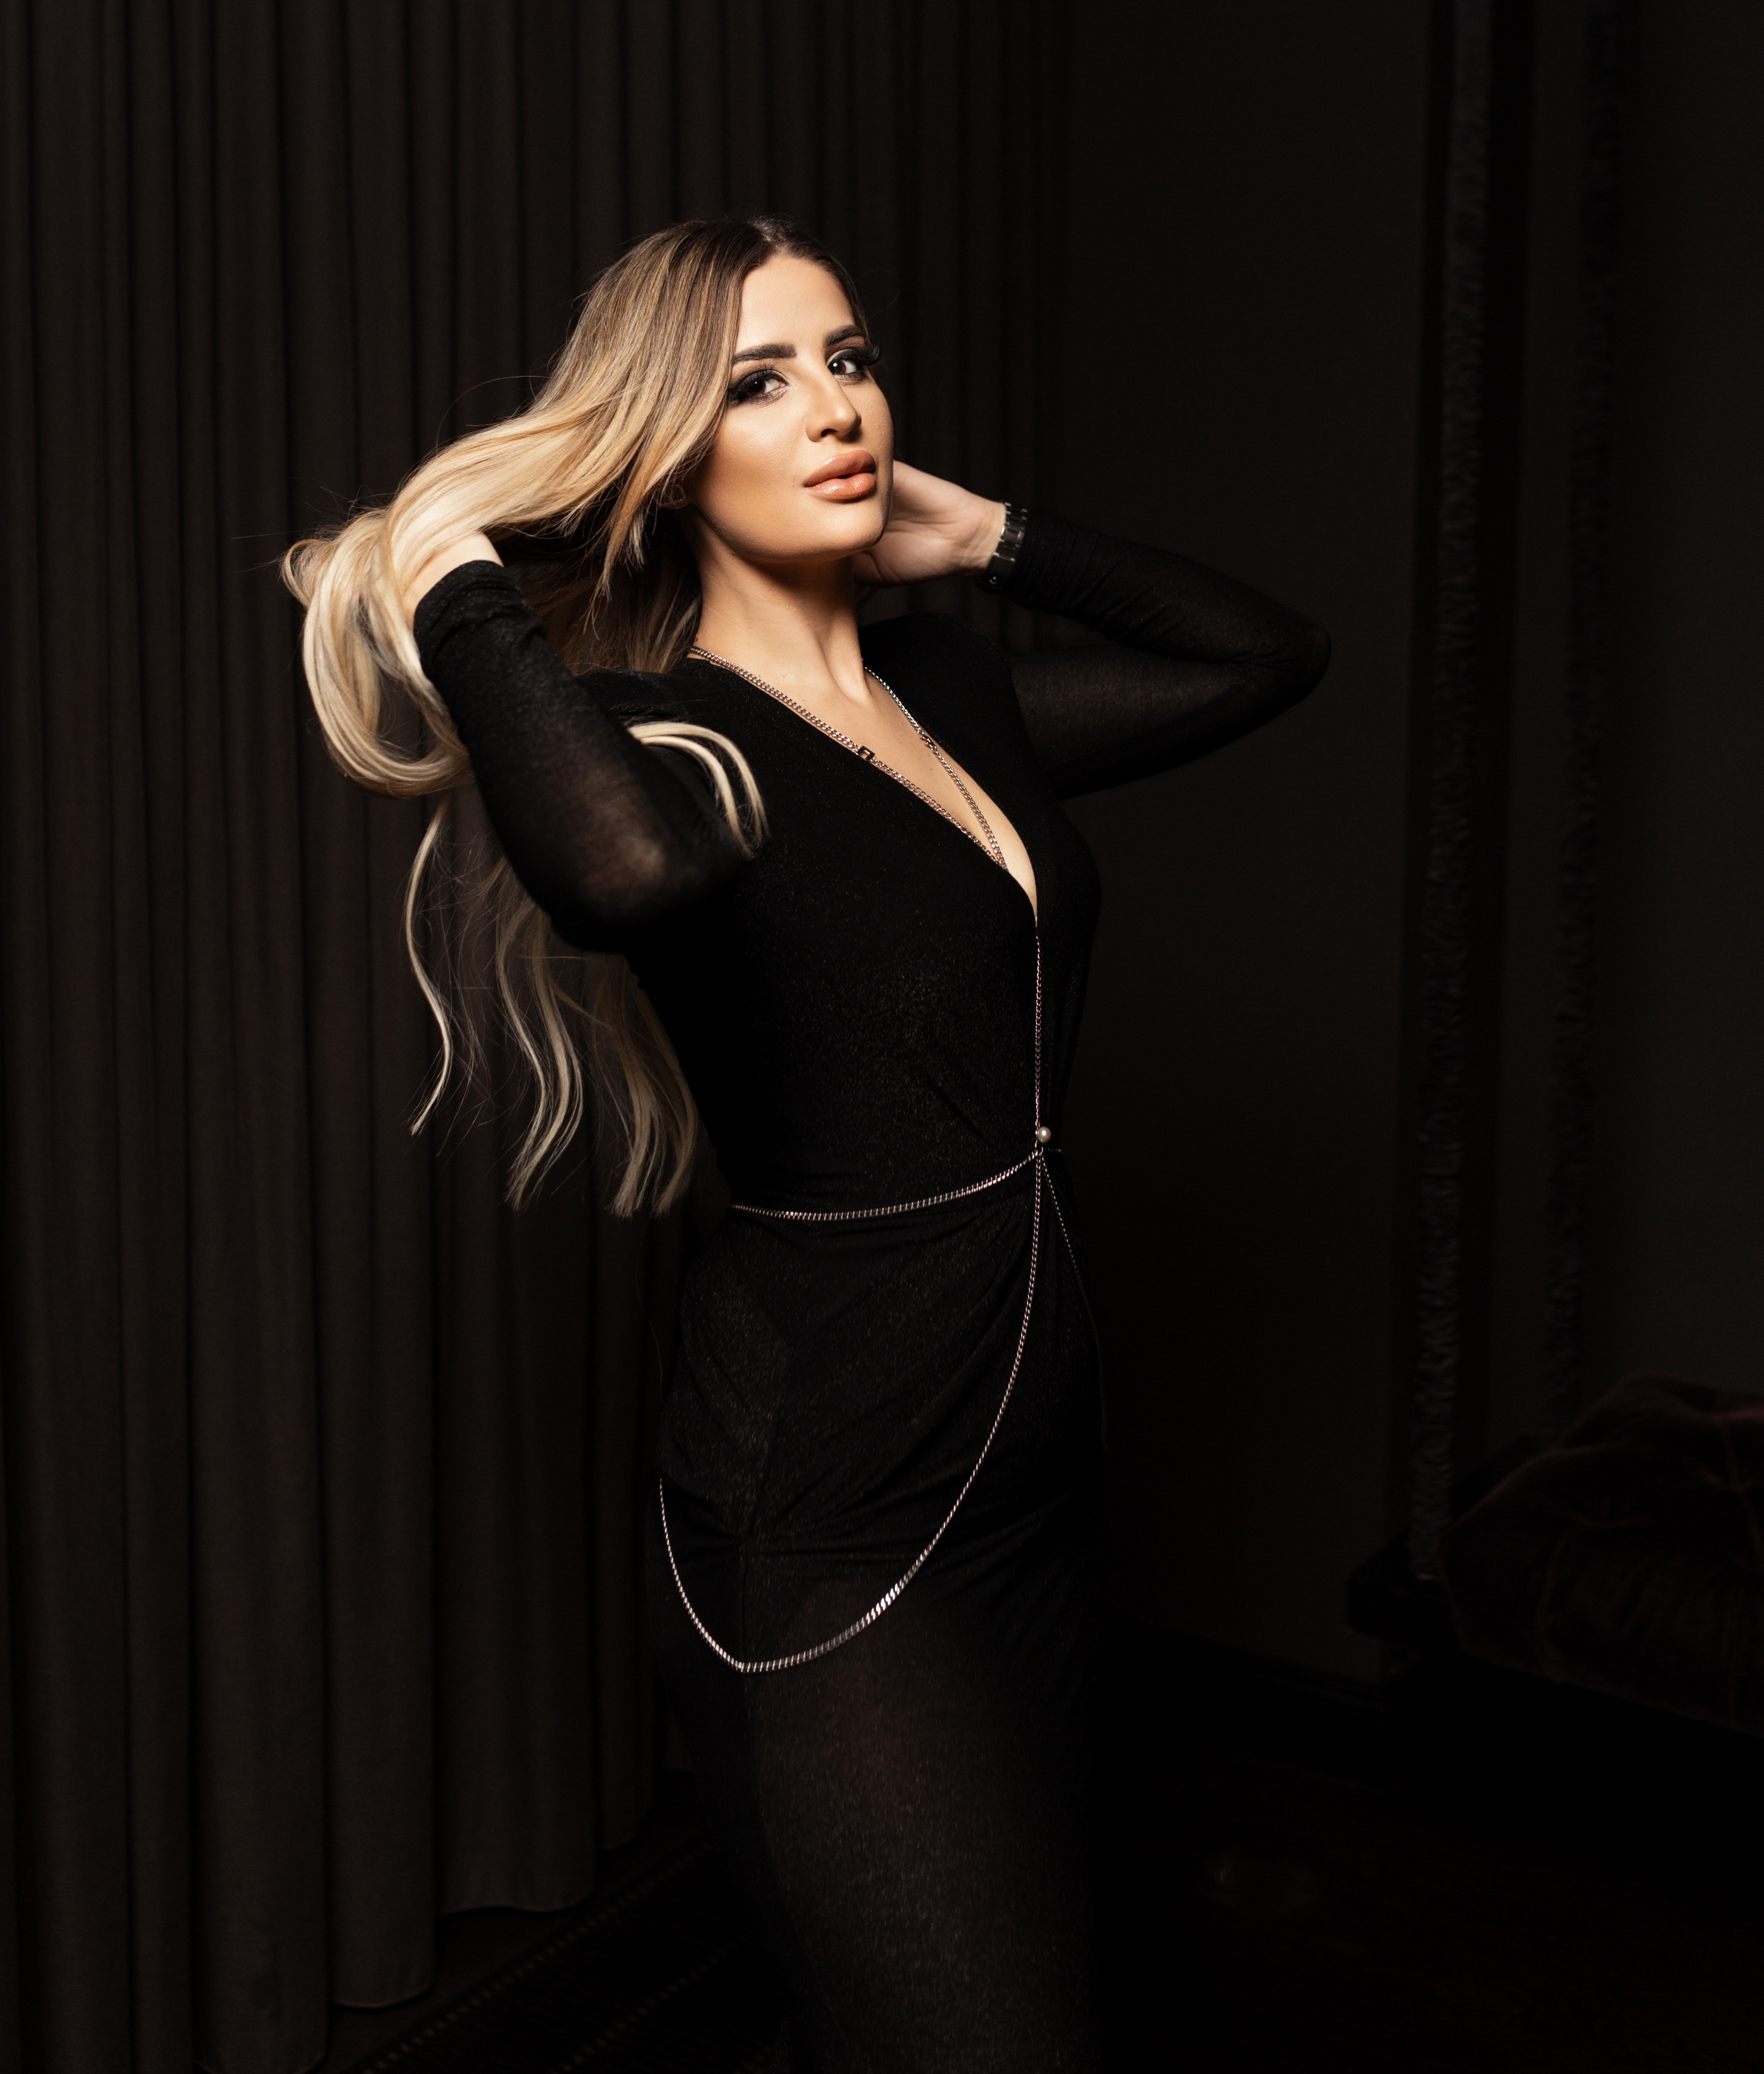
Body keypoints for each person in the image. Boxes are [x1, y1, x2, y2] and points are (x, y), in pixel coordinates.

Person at [285, 214, 1329, 2072]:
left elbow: (1267, 655)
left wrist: (986, 534)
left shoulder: (952, 690)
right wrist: (447, 567)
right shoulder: (663, 741)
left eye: (847, 360)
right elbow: (619, 877)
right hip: (831, 1522)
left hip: (1038, 1483)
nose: (835, 408)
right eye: (755, 384)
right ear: (663, 454)